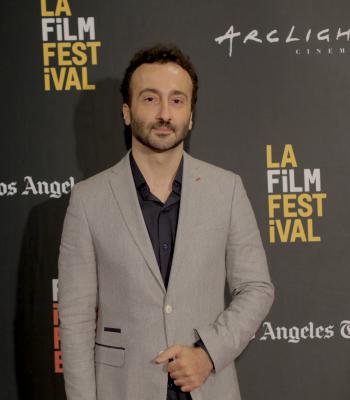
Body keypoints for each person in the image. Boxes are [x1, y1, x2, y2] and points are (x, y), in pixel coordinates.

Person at [58, 44, 274, 400]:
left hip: (207, 388)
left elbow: (256, 288)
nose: (163, 114)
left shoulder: (227, 189)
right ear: (127, 112)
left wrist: (207, 354)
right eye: (149, 99)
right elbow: (76, 319)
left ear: (190, 115)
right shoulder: (88, 200)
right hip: (124, 389)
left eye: (177, 101)